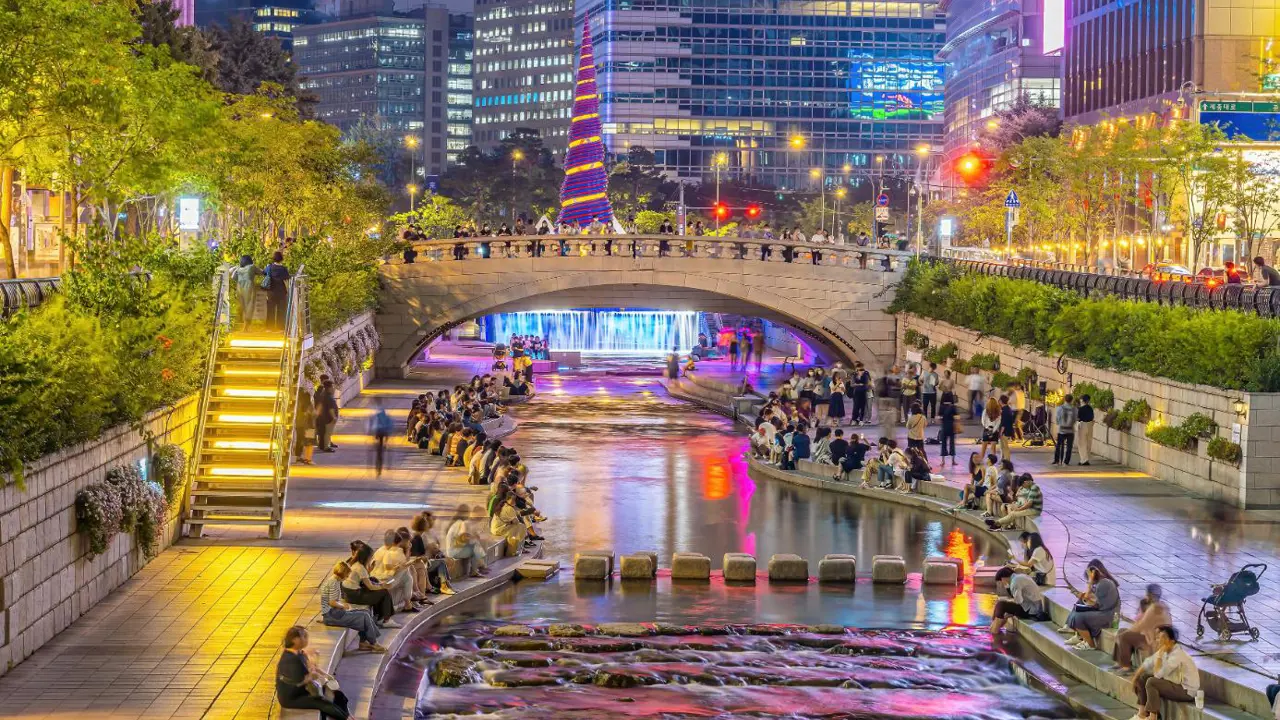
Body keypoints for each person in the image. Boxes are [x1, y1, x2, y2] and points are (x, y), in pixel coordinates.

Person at [276, 626, 351, 719]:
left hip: (301, 691)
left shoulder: (298, 653)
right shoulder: (290, 659)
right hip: (292, 697)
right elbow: (299, 681)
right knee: (323, 703)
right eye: (304, 637)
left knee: (337, 695)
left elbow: (309, 670)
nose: (307, 639)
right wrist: (311, 676)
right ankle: (346, 718)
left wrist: (313, 662)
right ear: (295, 640)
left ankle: (346, 715)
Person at [1132, 626, 1200, 719]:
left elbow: (1158, 675)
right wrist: (1135, 678)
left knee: (1152, 682)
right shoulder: (1165, 650)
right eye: (1159, 637)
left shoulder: (1177, 655)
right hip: (1173, 684)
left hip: (1186, 691)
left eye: (1163, 638)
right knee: (1142, 678)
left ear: (1172, 641)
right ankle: (1142, 713)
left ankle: (1153, 716)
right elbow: (1148, 662)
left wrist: (1159, 657)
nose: (1159, 640)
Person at [319, 562, 385, 652]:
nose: (347, 577)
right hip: (332, 616)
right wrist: (343, 605)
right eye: (347, 575)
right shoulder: (333, 583)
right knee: (364, 616)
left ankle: (364, 642)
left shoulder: (332, 580)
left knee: (365, 612)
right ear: (342, 574)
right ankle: (373, 643)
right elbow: (332, 602)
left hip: (333, 614)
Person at [1115, 584, 1173, 673]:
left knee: (1124, 636)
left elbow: (1140, 626)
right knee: (1121, 632)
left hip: (1154, 641)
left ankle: (1126, 666)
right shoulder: (1162, 605)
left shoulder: (1153, 609)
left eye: (1147, 594)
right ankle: (1119, 661)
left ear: (1150, 595)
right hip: (1151, 636)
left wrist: (1127, 633)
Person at [1064, 559, 1121, 649]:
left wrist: (1089, 585)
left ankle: (1090, 644)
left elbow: (1094, 604)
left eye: (1089, 577)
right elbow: (1095, 602)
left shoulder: (1104, 583)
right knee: (1078, 608)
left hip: (1108, 616)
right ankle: (1079, 637)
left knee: (1079, 617)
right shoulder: (1101, 583)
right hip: (1103, 611)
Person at [340, 543, 398, 627]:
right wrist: (383, 586)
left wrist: (378, 582)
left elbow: (364, 579)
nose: (371, 558)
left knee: (375, 582)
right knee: (384, 592)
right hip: (354, 595)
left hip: (348, 592)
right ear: (365, 557)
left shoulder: (354, 563)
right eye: (370, 557)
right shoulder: (360, 567)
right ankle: (387, 620)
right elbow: (370, 587)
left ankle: (380, 617)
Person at [990, 566, 1047, 635]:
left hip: (1031, 611)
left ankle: (994, 632)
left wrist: (1008, 602)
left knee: (1001, 605)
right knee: (1002, 606)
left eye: (1000, 581)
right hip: (1034, 607)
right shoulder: (1019, 577)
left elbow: (1018, 601)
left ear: (1003, 578)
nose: (1001, 583)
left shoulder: (1015, 582)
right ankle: (994, 628)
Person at [445, 504, 489, 577]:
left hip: (456, 548)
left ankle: (481, 566)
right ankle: (478, 569)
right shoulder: (463, 523)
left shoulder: (462, 522)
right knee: (474, 547)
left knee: (476, 545)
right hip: (454, 551)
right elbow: (464, 539)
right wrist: (473, 537)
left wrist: (474, 537)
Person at [489, 488, 529, 555]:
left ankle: (518, 547)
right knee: (520, 527)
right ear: (508, 499)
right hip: (498, 529)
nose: (514, 502)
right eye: (512, 500)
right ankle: (512, 550)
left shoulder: (502, 505)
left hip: (494, 529)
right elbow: (516, 521)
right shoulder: (509, 508)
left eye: (514, 500)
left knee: (518, 526)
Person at [263, 251, 291, 331]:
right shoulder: (283, 269)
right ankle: (280, 328)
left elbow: (264, 272)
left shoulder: (269, 267)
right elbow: (287, 278)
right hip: (281, 292)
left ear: (274, 258)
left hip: (271, 292)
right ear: (281, 259)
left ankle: (269, 328)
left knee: (270, 310)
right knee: (281, 310)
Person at [369, 400, 395, 478]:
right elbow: (390, 426)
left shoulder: (376, 416)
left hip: (378, 434)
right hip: (384, 434)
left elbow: (372, 426)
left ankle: (378, 469)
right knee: (381, 453)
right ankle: (383, 467)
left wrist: (372, 436)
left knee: (379, 453)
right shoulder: (386, 417)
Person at [231, 255, 258, 330]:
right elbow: (262, 272)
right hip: (249, 288)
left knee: (243, 306)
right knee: (249, 306)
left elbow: (233, 277)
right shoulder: (252, 267)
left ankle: (242, 324)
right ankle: (246, 326)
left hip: (239, 288)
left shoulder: (239, 268)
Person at [313, 377, 339, 452]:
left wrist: (317, 414)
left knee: (324, 432)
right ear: (330, 388)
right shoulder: (329, 397)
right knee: (328, 433)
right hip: (328, 418)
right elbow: (331, 409)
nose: (333, 389)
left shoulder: (323, 395)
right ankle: (326, 447)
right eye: (332, 387)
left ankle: (323, 445)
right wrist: (334, 417)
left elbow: (319, 405)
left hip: (323, 417)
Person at [1052, 394, 1077, 466]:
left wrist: (1059, 424)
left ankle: (1057, 461)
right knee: (1069, 446)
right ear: (1072, 400)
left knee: (1058, 446)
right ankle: (1066, 462)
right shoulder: (1074, 409)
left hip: (1062, 430)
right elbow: (1075, 419)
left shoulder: (1060, 408)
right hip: (1070, 430)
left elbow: (1057, 418)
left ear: (1065, 399)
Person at [938, 391, 959, 467]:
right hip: (952, 427)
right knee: (952, 444)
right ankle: (953, 460)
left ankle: (943, 461)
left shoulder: (941, 406)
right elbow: (956, 417)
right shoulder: (953, 407)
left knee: (943, 444)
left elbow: (939, 417)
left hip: (944, 427)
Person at [1076, 394, 1095, 466]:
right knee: (1088, 442)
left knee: (1081, 443)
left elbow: (1078, 418)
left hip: (1082, 425)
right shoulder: (1090, 408)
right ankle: (1087, 458)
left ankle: (1083, 459)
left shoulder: (1080, 409)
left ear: (1082, 400)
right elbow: (1092, 417)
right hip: (1090, 425)